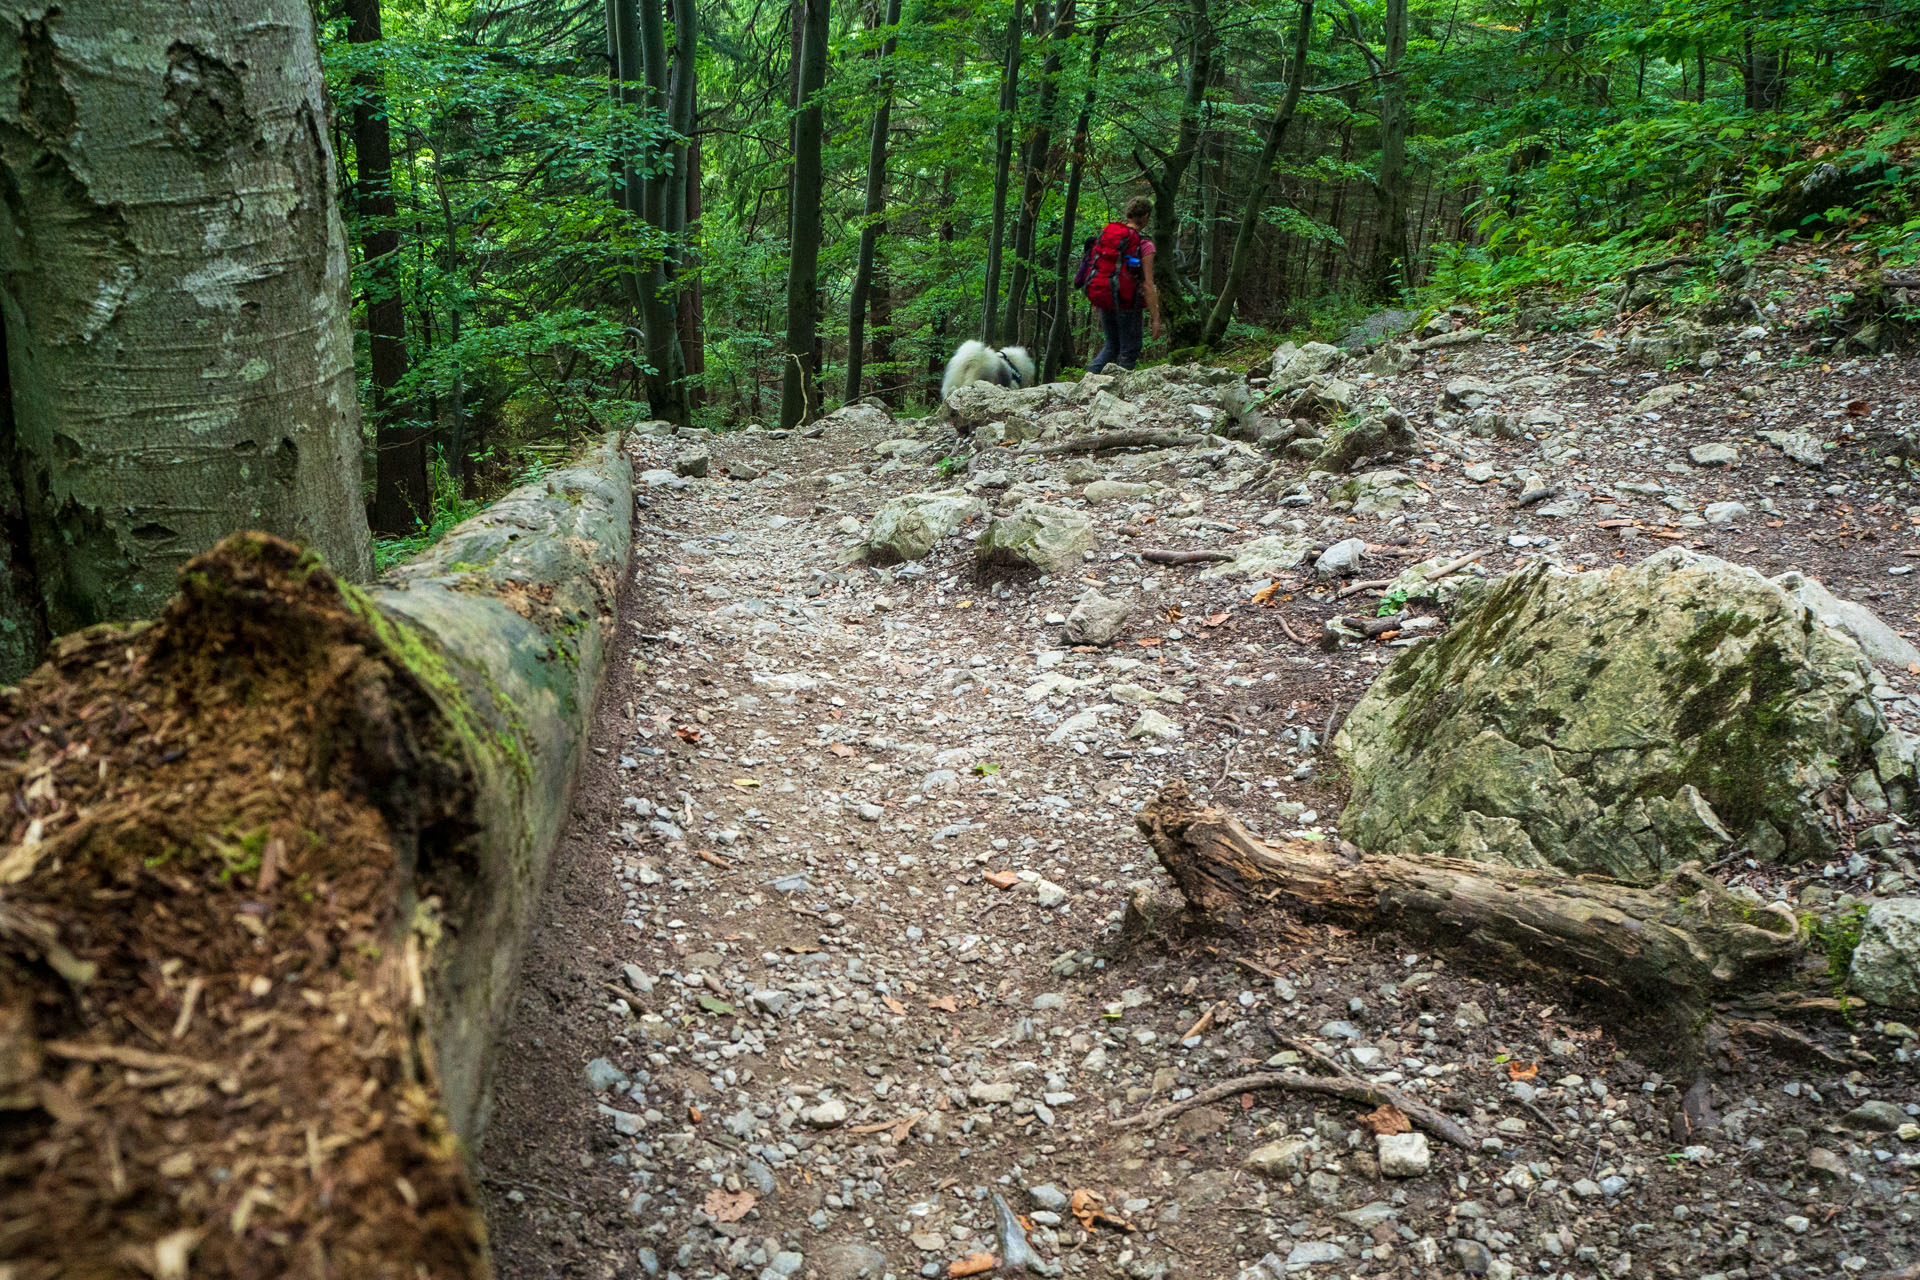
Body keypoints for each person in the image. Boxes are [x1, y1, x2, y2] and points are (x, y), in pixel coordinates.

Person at [1082, 195, 1163, 372]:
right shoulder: (1145, 245)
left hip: (1106, 296)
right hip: (1127, 302)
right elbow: (1148, 284)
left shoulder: (1112, 237)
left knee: (1111, 346)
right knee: (1130, 349)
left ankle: (1086, 384)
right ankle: (1118, 390)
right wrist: (1156, 318)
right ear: (1146, 216)